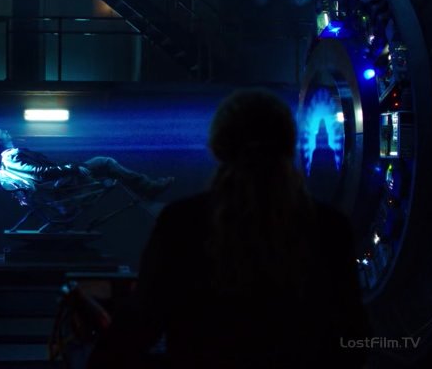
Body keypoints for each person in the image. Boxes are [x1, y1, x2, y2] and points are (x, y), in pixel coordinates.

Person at [87, 89, 371, 368]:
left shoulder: (183, 221)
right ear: (289, 142)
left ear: (217, 145)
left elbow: (141, 322)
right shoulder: (330, 226)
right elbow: (352, 334)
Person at [0, 126, 175, 200]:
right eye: (2, 132)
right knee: (105, 162)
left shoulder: (8, 158)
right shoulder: (10, 157)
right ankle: (148, 188)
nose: (7, 132)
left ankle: (144, 187)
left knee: (104, 165)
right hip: (60, 186)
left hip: (58, 183)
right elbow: (39, 173)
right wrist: (72, 168)